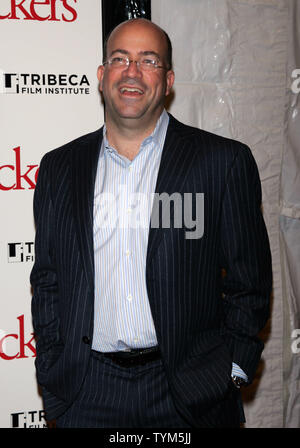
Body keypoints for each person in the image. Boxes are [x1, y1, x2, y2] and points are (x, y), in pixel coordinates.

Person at [30, 18, 272, 428]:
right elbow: (49, 278)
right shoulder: (60, 168)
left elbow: (250, 283)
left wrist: (233, 369)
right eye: (120, 58)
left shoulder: (222, 162)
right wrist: (53, 369)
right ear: (102, 75)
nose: (132, 71)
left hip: (190, 392)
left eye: (149, 60)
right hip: (88, 391)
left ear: (169, 79)